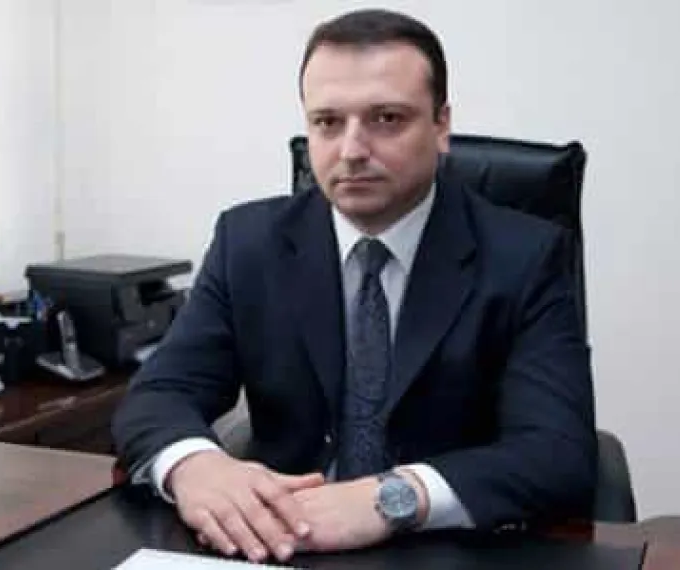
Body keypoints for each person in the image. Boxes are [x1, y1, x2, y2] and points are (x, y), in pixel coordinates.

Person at [112, 7, 596, 564]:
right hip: (283, 545)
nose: (351, 151)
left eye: (387, 118)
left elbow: (557, 452)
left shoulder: (525, 257)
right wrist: (196, 465)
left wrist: (393, 498)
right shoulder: (247, 244)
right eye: (327, 122)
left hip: (448, 551)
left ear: (441, 126)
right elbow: (158, 394)